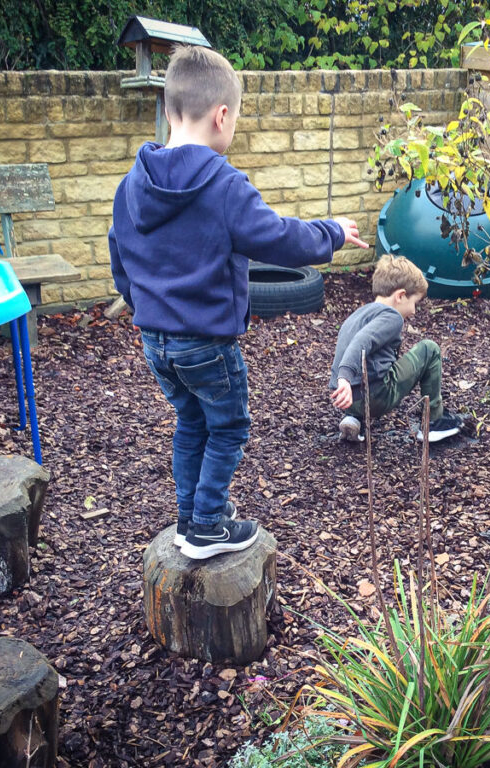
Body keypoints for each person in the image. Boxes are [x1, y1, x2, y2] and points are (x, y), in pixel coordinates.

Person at [109, 45, 367, 560]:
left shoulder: (131, 184)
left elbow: (120, 256)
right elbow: (276, 238)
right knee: (228, 425)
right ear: (222, 116)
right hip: (205, 342)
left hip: (155, 342)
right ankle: (206, 525)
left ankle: (190, 519)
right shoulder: (223, 184)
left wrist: (144, 307)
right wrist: (332, 233)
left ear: (167, 108)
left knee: (192, 422)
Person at [329, 254, 463, 443]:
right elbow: (361, 341)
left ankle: (354, 419)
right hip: (375, 397)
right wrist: (345, 376)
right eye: (414, 303)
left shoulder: (357, 316)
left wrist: (341, 383)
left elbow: (349, 346)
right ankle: (434, 421)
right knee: (429, 349)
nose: (414, 311)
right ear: (400, 296)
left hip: (347, 400)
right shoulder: (391, 316)